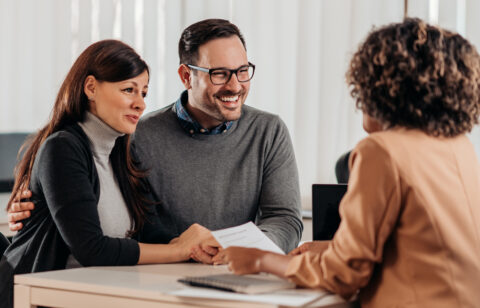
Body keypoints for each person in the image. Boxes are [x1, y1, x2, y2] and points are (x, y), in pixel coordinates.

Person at [213, 18, 480, 307]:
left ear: (381, 86)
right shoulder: (458, 146)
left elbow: (344, 275)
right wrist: (332, 248)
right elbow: (423, 248)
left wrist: (263, 260)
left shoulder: (382, 151)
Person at [8, 19, 303, 259]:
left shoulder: (269, 131)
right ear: (186, 76)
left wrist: (241, 250)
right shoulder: (136, 136)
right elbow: (103, 235)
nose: (235, 85)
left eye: (242, 71)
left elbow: (285, 219)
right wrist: (39, 207)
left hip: (232, 270)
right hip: (148, 280)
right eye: (220, 74)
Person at [0, 40, 216, 308]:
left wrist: (196, 247)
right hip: (44, 296)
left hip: (100, 290)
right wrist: (177, 249)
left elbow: (151, 233)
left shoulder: (122, 152)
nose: (140, 104)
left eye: (144, 93)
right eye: (129, 90)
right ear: (91, 87)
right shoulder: (62, 148)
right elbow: (91, 249)